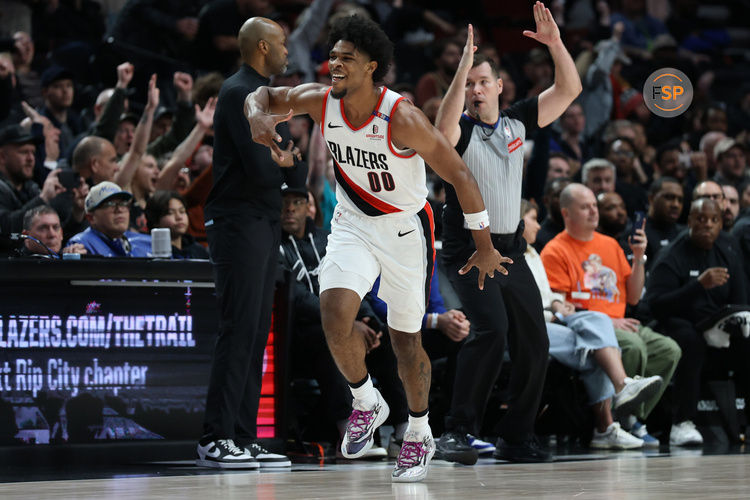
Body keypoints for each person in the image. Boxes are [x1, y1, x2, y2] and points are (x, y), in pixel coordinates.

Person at [245, 14, 507, 482]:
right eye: (333, 56)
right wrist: (257, 118)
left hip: (406, 230)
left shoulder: (401, 117)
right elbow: (262, 93)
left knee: (407, 343)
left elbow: (460, 176)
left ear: (372, 66)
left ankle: (421, 430)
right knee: (333, 313)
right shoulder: (320, 100)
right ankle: (366, 400)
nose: (335, 64)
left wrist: (484, 245)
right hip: (351, 225)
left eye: (347, 58)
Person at [433, 2, 581, 465]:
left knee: (534, 343)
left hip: (512, 248)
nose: (476, 89)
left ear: (499, 87)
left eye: (482, 81)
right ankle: (457, 430)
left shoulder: (518, 120)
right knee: (492, 331)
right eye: (469, 84)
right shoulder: (459, 131)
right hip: (468, 248)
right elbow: (439, 127)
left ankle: (516, 436)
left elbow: (570, 88)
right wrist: (461, 68)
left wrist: (555, 43)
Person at [196, 16, 301, 470]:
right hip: (238, 220)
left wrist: (284, 161)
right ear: (261, 47)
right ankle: (215, 437)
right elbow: (267, 167)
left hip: (259, 220)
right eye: (280, 44)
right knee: (239, 329)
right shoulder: (241, 92)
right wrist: (283, 162)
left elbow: (286, 163)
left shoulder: (261, 95)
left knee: (257, 332)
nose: (286, 52)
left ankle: (242, 434)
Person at [541, 183, 682, 446]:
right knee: (634, 346)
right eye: (585, 207)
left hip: (622, 321)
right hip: (588, 326)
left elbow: (634, 296)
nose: (593, 212)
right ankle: (620, 420)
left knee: (669, 350)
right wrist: (608, 320)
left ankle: (631, 417)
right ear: (566, 214)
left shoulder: (610, 245)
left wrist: (639, 258)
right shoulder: (555, 250)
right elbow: (562, 307)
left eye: (594, 205)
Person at [646, 198, 748, 446]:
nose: (707, 226)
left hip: (717, 323)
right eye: (701, 219)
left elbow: (740, 297)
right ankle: (682, 422)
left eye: (714, 221)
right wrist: (698, 286)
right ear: (690, 220)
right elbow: (655, 304)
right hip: (676, 321)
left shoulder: (728, 247)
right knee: (691, 340)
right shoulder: (672, 253)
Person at [0, 124, 64, 233]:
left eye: (33, 153)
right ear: (2, 157)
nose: (31, 159)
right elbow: (5, 227)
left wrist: (77, 212)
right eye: (24, 152)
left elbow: (56, 228)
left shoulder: (31, 187)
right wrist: (43, 198)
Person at [68, 181, 151, 257]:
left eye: (123, 203)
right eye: (110, 204)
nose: (119, 209)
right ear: (91, 218)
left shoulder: (145, 241)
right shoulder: (82, 245)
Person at [144, 190, 209, 259]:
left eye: (182, 211)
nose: (179, 217)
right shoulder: (146, 251)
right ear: (155, 221)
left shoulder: (198, 250)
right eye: (170, 213)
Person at [645, 176, 685, 266]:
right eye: (669, 197)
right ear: (651, 199)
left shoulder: (685, 235)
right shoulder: (638, 233)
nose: (676, 204)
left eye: (680, 200)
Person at [18, 205, 86, 256]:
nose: (52, 234)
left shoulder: (69, 256)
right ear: (26, 236)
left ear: (61, 234)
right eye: (43, 228)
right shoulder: (14, 268)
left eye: (55, 228)